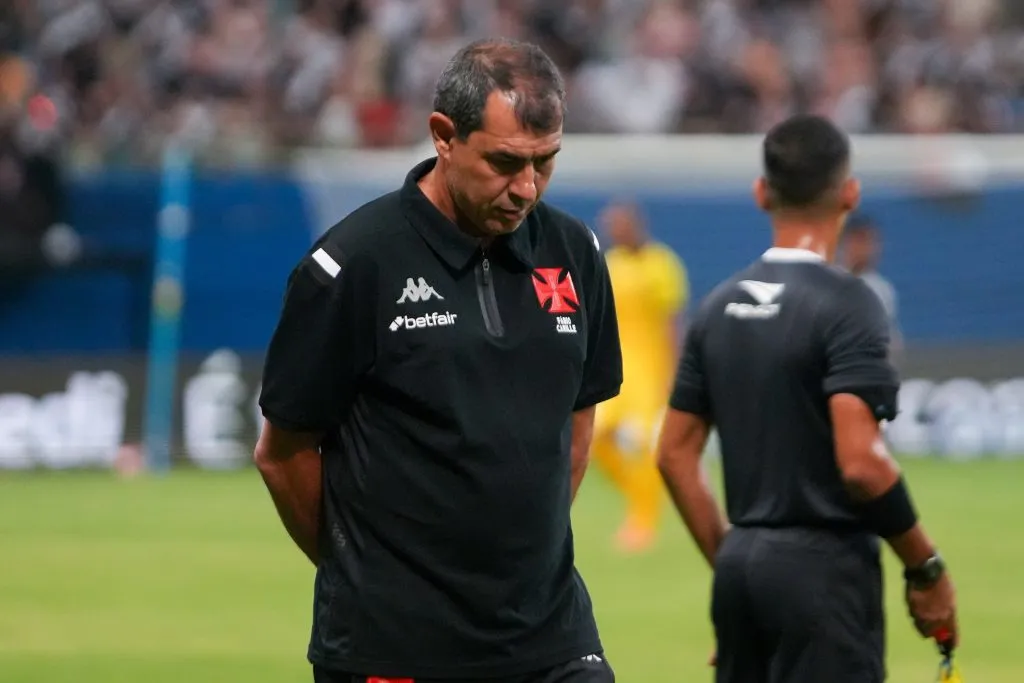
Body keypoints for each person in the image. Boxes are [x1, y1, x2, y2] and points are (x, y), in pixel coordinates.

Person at [255, 38, 622, 683]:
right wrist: (368, 575)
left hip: (550, 638)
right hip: (395, 646)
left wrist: (518, 563)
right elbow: (283, 454)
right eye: (505, 162)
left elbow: (577, 419)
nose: (526, 188)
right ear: (444, 136)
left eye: (545, 162)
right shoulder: (353, 265)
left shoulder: (574, 252)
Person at [655, 115, 958, 683]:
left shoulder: (717, 307)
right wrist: (926, 567)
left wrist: (739, 568)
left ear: (761, 192)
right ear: (850, 193)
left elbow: (674, 454)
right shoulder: (850, 304)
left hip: (741, 569)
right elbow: (862, 464)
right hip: (825, 575)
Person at [591, 200, 688, 553]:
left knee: (647, 447)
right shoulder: (611, 264)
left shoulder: (661, 264)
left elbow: (672, 322)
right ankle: (638, 497)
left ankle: (643, 521)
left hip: (651, 371)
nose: (612, 231)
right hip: (617, 369)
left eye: (617, 224)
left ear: (634, 225)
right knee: (594, 438)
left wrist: (675, 372)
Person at [841, 215, 903, 359]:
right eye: (860, 241)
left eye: (872, 242)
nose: (867, 249)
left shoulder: (881, 289)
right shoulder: (828, 281)